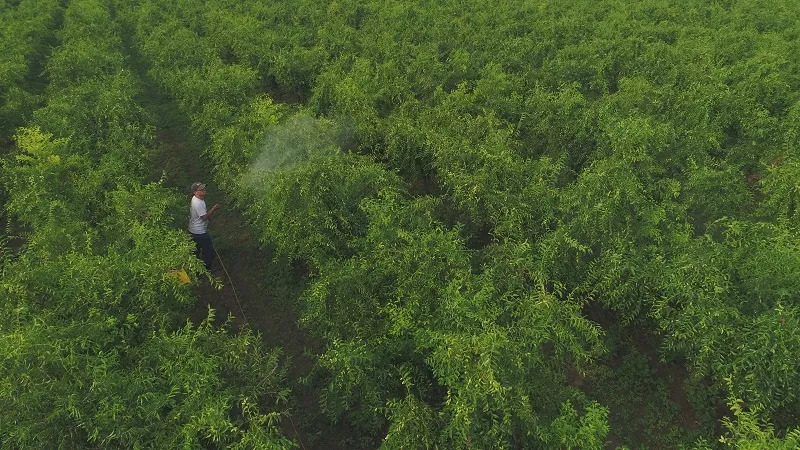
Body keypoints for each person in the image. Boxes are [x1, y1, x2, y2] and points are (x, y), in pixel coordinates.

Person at [188, 182, 220, 270]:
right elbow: (204, 217)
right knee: (208, 250)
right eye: (201, 190)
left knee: (196, 250)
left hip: (193, 230)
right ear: (195, 192)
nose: (204, 190)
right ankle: (207, 269)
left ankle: (195, 268)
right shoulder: (198, 203)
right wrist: (214, 209)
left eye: (203, 188)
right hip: (199, 232)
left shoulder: (197, 199)